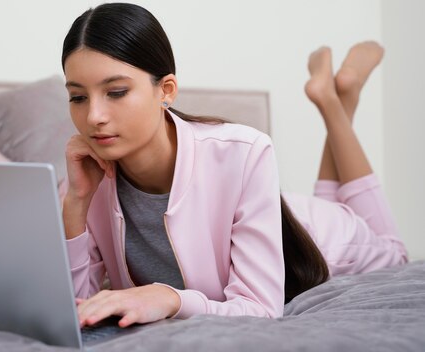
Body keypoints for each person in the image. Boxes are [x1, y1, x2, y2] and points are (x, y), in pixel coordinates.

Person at [60, 3, 408, 329]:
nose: (94, 117)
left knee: (395, 251)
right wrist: (76, 204)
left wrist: (170, 298)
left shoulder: (243, 151)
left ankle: (336, 105)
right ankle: (339, 97)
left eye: (116, 92)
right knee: (330, 198)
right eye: (78, 97)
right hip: (274, 209)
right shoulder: (85, 177)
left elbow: (259, 308)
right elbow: (77, 309)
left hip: (320, 239)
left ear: (166, 90)